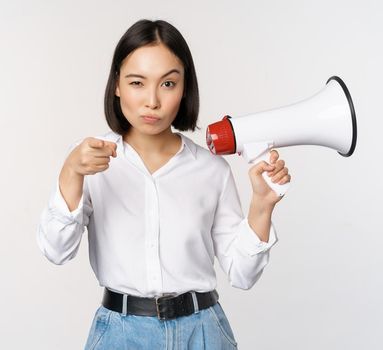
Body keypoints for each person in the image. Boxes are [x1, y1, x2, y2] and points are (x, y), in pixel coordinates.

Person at [36, 19, 290, 349]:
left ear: (185, 88)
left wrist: (262, 205)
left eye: (168, 84)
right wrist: (70, 173)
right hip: (120, 335)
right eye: (137, 82)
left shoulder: (212, 170)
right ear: (116, 85)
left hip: (204, 333)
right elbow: (56, 251)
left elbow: (242, 275)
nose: (152, 101)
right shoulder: (89, 160)